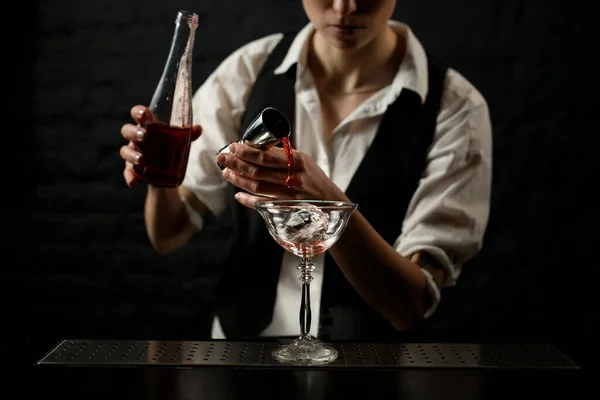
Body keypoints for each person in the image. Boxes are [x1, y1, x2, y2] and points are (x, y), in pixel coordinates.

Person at [119, 0, 492, 341]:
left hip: (372, 368)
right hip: (239, 357)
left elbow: (409, 306)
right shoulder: (250, 69)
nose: (345, 6)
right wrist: (160, 175)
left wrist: (328, 202)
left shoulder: (456, 108)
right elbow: (168, 235)